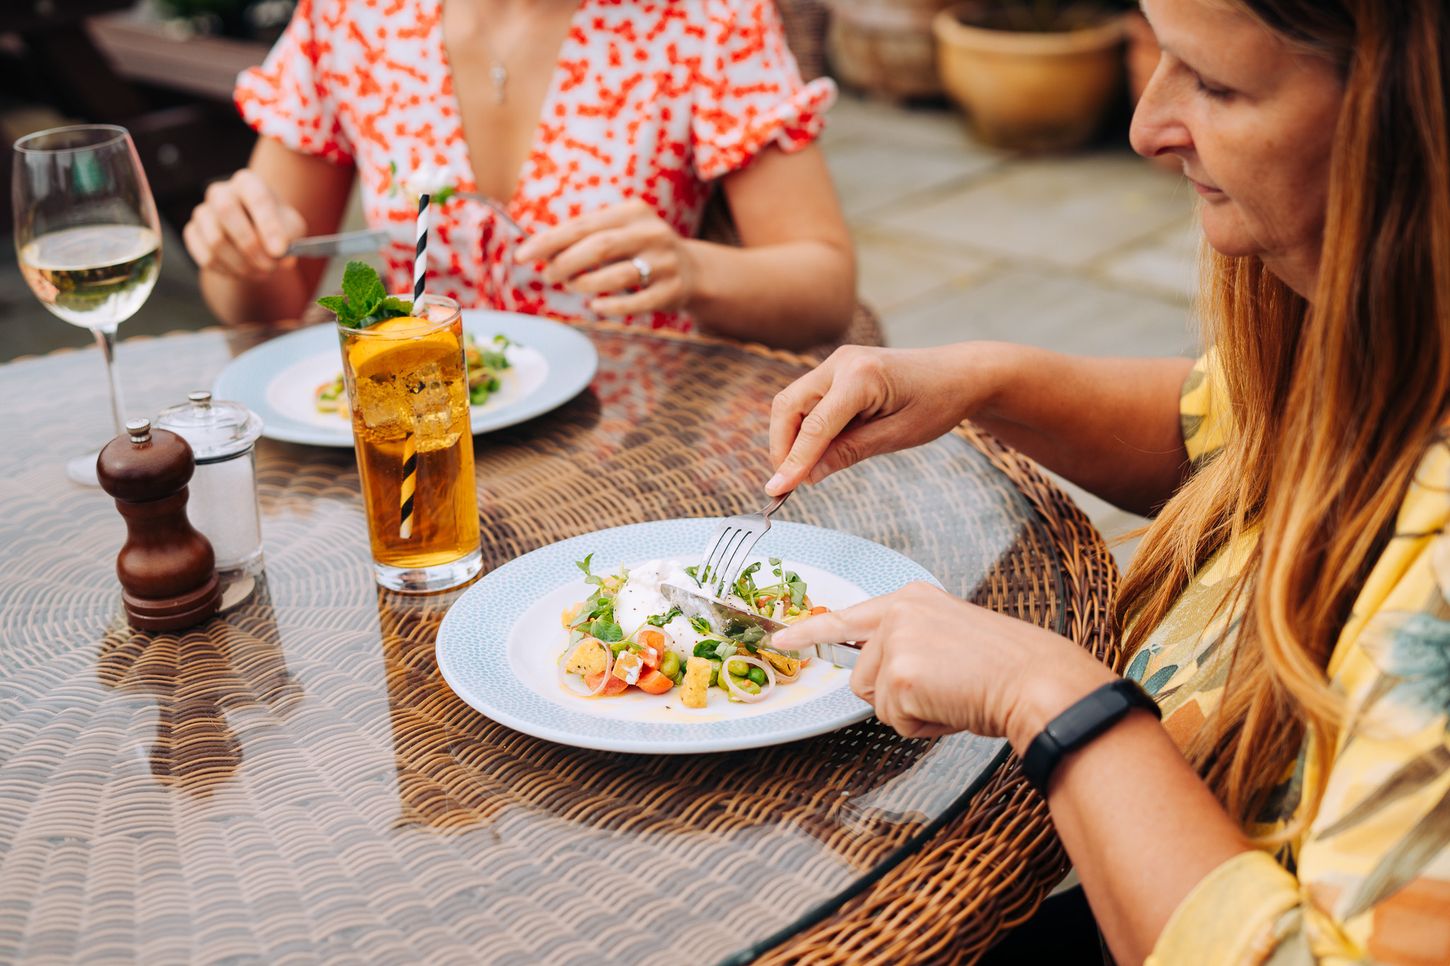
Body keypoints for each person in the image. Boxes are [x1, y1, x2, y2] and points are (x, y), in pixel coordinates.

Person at [764, 0, 1450, 961]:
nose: (1146, 128)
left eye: (1214, 83)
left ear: (1409, 122)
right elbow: (1224, 430)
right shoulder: (1377, 332)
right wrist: (983, 379)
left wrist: (1046, 693)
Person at [183, 0, 854, 349]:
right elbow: (271, 304)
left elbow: (824, 286)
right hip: (422, 438)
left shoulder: (706, 19)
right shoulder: (351, 18)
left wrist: (694, 270)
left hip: (645, 442)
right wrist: (238, 252)